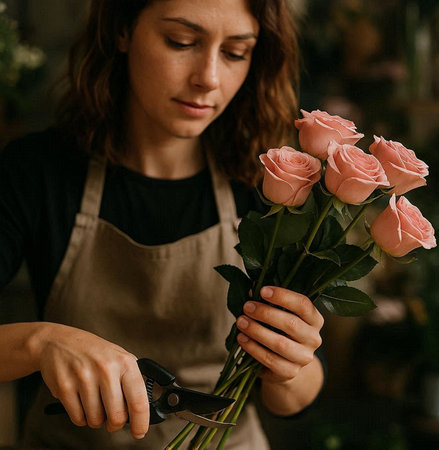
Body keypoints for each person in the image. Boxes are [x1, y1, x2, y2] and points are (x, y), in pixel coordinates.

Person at [0, 0, 325, 448]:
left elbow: (295, 400)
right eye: (182, 42)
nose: (208, 78)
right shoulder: (36, 172)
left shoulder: (267, 186)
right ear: (122, 30)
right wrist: (39, 343)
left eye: (235, 52)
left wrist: (291, 362)